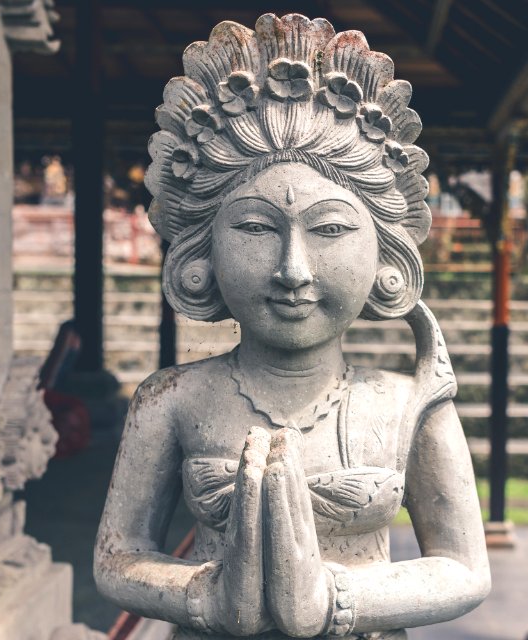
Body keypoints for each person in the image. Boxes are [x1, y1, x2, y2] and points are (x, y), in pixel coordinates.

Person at [94, 14, 490, 640]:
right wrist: (205, 596)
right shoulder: (171, 400)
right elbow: (118, 558)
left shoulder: (407, 405)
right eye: (254, 229)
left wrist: (334, 599)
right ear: (203, 253)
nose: (292, 270)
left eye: (331, 229)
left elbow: (464, 567)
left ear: (384, 255)